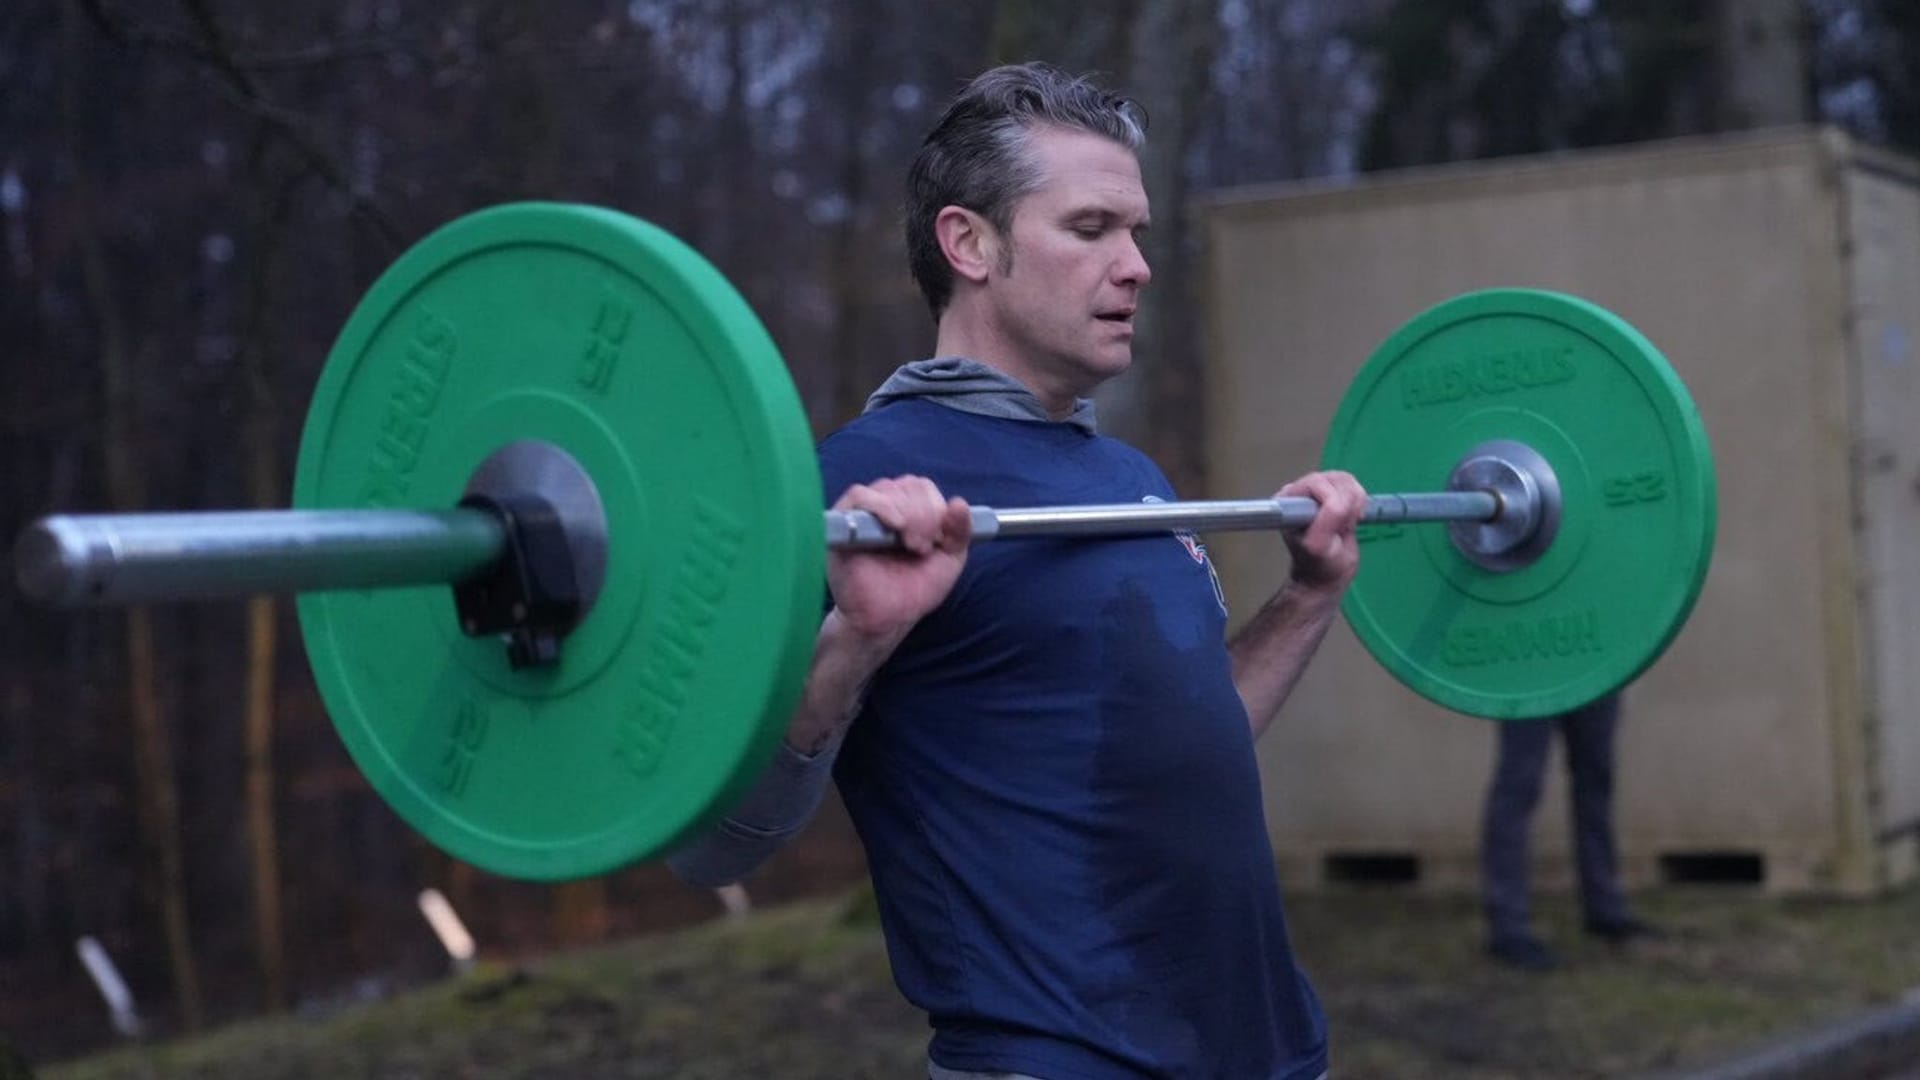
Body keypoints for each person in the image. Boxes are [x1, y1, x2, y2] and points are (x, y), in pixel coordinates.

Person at [669, 62, 1364, 1080]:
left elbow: (1190, 731)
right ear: (970, 243)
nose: (1137, 267)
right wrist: (855, 637)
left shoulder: (1129, 477)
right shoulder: (857, 485)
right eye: (1091, 230)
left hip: (1264, 1051)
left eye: (1137, 234)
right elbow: (715, 844)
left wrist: (1307, 598)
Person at [1480, 690, 1663, 971]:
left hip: (1592, 666)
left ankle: (1605, 909)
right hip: (1528, 671)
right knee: (1519, 785)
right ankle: (1508, 927)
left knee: (1597, 777)